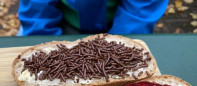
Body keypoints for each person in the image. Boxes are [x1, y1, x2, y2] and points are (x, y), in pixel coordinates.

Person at [17, 0, 168, 36]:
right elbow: (36, 9)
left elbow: (140, 12)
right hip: (57, 22)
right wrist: (42, 38)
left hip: (120, 24)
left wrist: (119, 47)